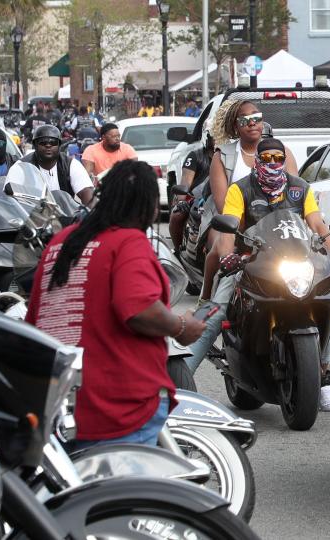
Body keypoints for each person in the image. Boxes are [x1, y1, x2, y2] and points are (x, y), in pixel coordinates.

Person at [26, 159, 206, 447]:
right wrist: (182, 326)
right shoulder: (127, 241)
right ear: (147, 206)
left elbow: (34, 320)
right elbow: (139, 309)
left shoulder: (60, 243)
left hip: (58, 409)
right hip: (116, 409)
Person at [187, 137, 330, 409]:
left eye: (277, 158)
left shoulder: (299, 188)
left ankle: (323, 377)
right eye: (266, 158)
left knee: (326, 302)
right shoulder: (241, 189)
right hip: (251, 261)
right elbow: (228, 228)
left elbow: (316, 223)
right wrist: (228, 256)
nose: (272, 163)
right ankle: (181, 379)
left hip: (296, 262)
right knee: (217, 310)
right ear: (257, 160)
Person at [201, 100, 298, 301]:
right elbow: (223, 206)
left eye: (256, 118)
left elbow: (295, 193)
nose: (252, 123)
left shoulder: (283, 152)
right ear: (235, 126)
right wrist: (248, 227)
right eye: (245, 120)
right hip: (237, 223)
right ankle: (208, 298)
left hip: (279, 224)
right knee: (218, 247)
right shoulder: (223, 157)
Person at [7, 124, 95, 206]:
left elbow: (87, 193)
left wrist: (92, 211)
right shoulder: (21, 166)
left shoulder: (71, 164)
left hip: (65, 218)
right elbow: (10, 200)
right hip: (30, 218)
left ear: (59, 145)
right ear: (34, 145)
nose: (48, 145)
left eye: (53, 142)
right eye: (43, 142)